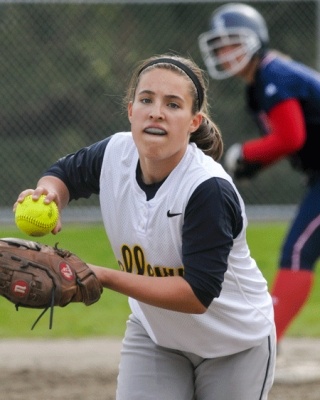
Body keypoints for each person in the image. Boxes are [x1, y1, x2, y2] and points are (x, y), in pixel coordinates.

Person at [15, 54, 275, 399]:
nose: (156, 111)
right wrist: (48, 195)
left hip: (234, 343)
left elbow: (197, 294)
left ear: (194, 121)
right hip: (157, 336)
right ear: (131, 111)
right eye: (147, 99)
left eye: (173, 104)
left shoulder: (206, 188)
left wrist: (100, 275)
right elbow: (63, 175)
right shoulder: (115, 154)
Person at [198, 2, 320, 344]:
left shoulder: (272, 75)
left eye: (234, 42)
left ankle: (264, 341)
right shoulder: (263, 78)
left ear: (256, 40)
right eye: (221, 45)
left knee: (298, 251)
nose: (225, 52)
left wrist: (246, 154)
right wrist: (256, 163)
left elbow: (291, 136)